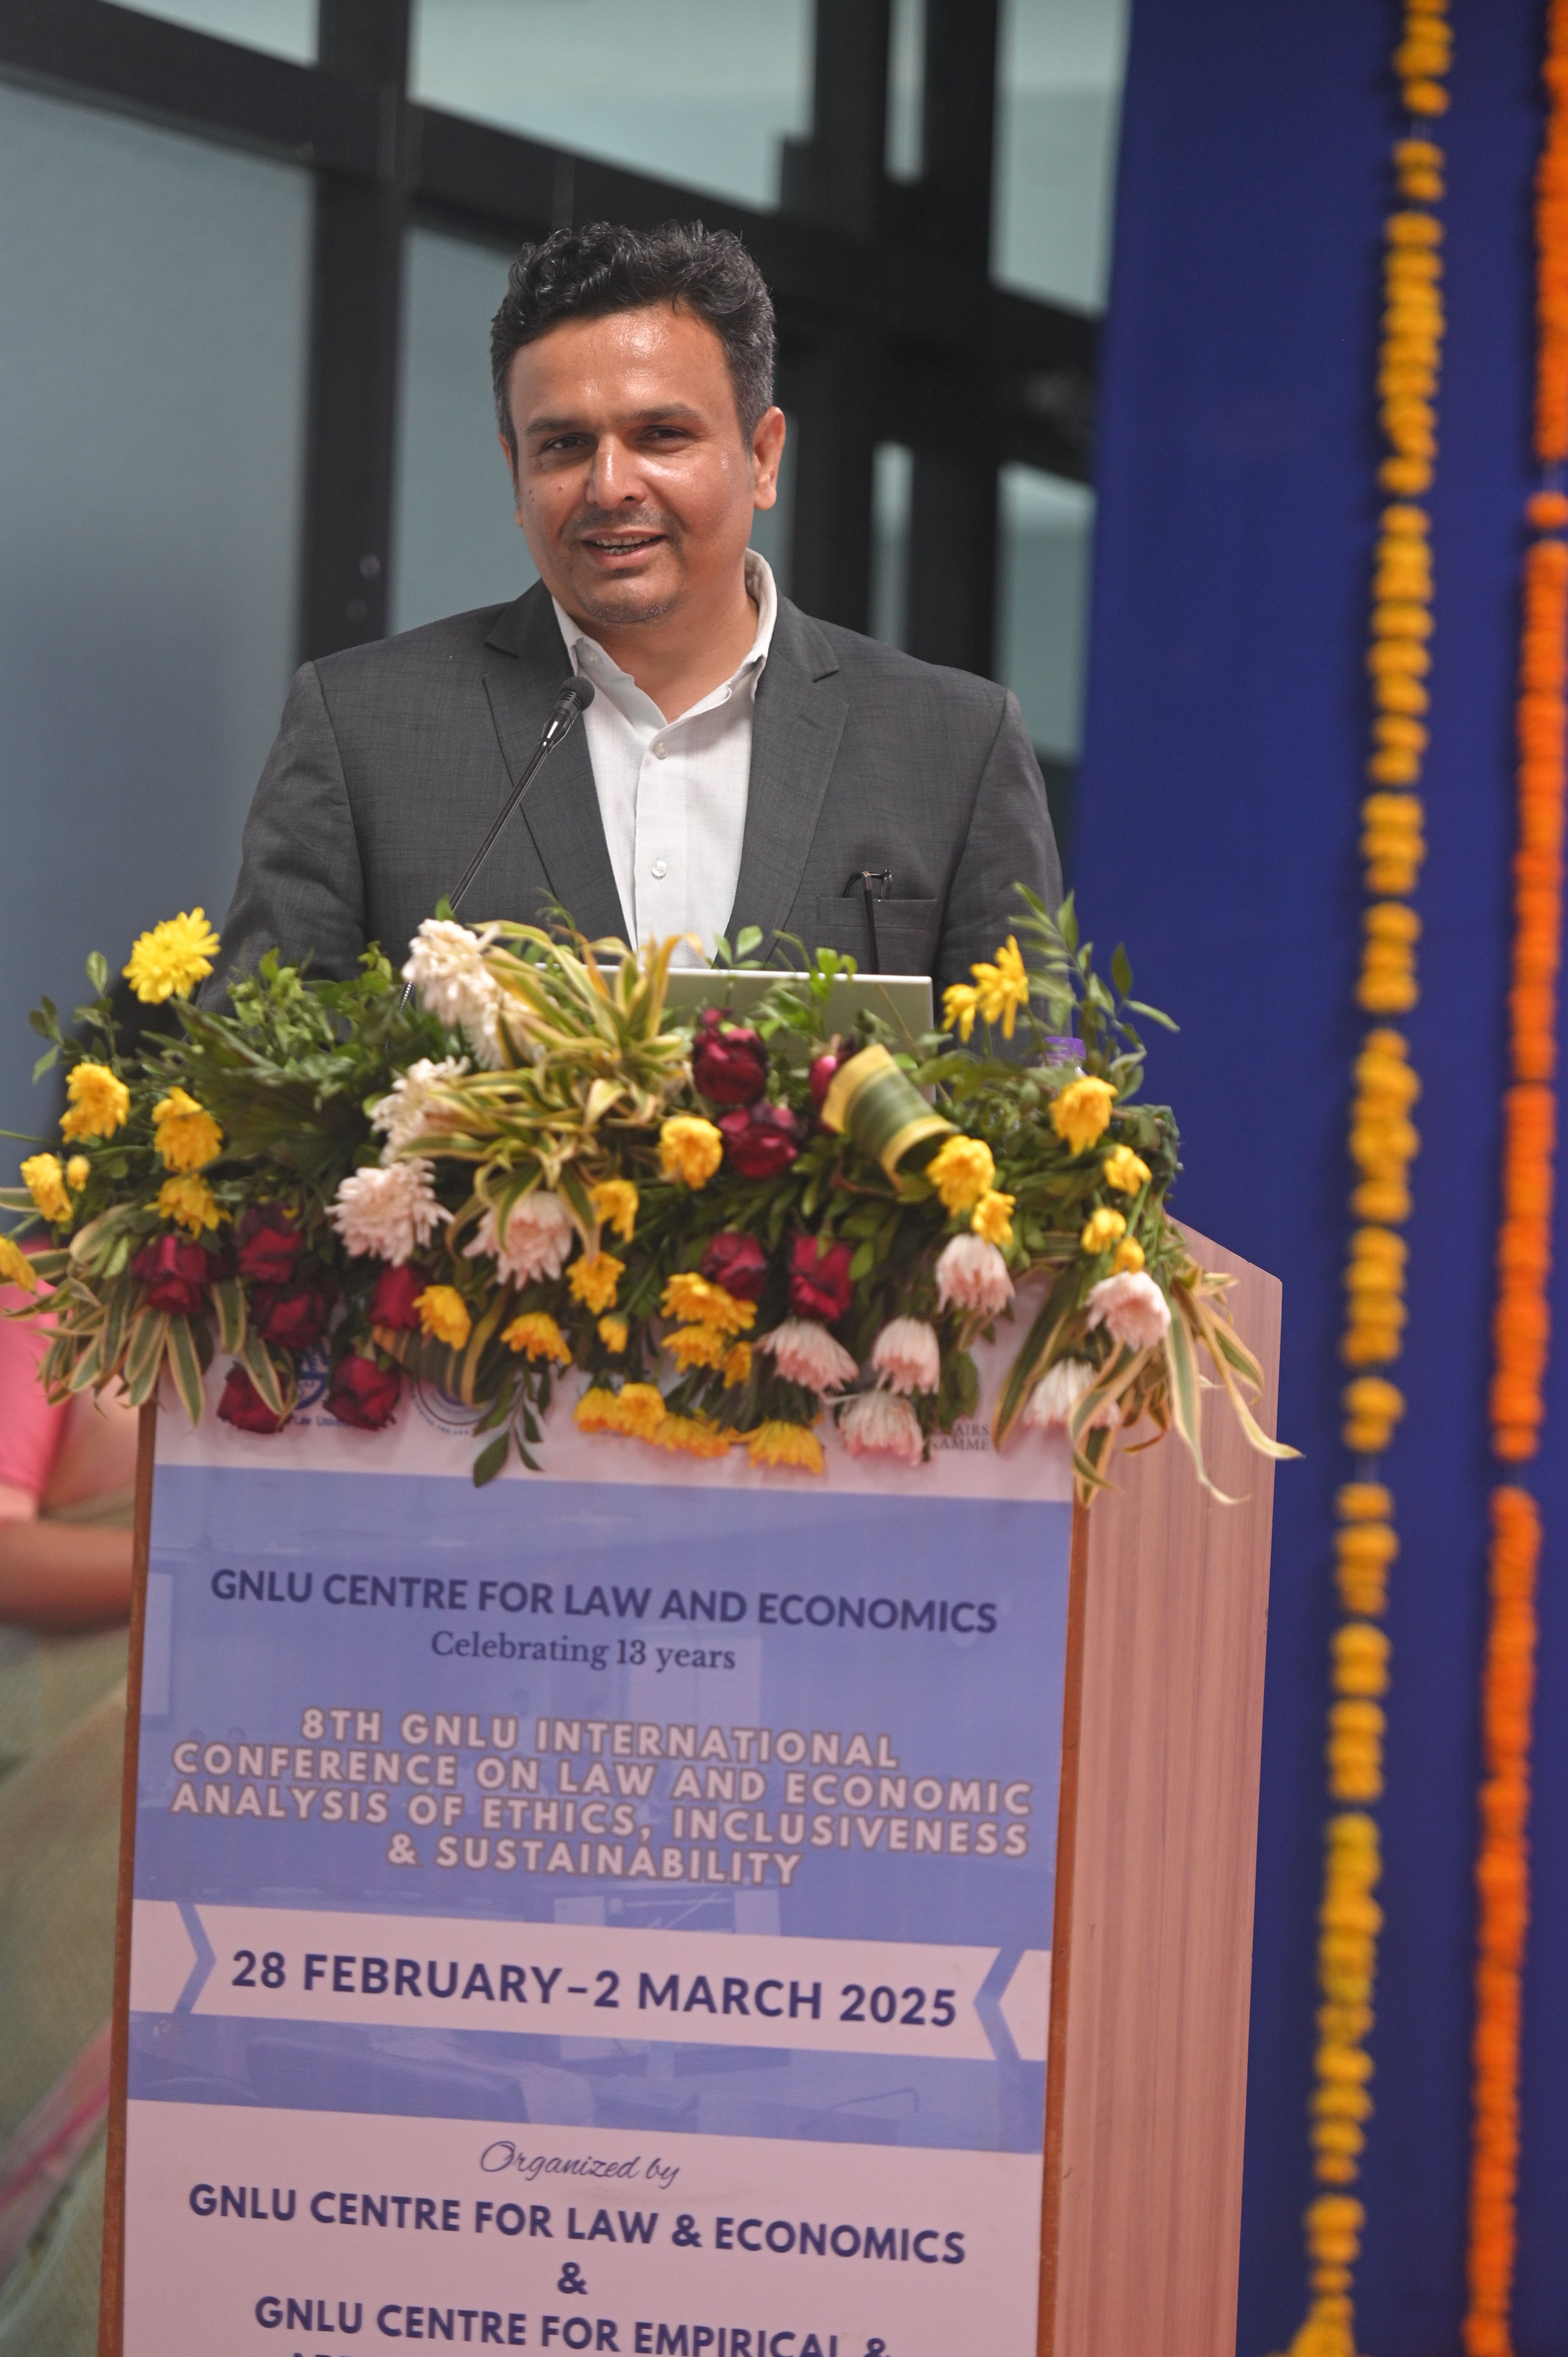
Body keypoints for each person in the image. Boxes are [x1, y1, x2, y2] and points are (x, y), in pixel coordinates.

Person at [210, 221, 1061, 1000]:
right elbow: (251, 1077)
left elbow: (1030, 1084)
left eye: (661, 436)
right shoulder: (364, 731)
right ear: (516, 474)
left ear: (762, 457)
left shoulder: (953, 744)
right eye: (564, 445)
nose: (610, 486)